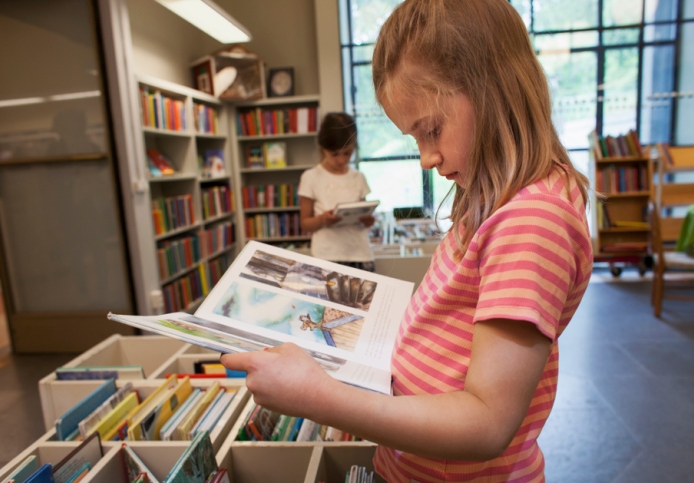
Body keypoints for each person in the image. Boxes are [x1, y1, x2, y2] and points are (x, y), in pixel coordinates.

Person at [222, 0, 593, 481]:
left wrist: (319, 396)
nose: (426, 159)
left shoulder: (533, 218)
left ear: (493, 86)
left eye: (431, 130)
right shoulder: (494, 197)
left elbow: (486, 422)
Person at [297, 112, 376, 272]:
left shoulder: (358, 177)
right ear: (323, 148)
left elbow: (364, 216)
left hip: (360, 255)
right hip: (327, 256)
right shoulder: (311, 177)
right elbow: (304, 223)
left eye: (347, 153)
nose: (341, 160)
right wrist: (322, 220)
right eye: (334, 154)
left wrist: (368, 221)